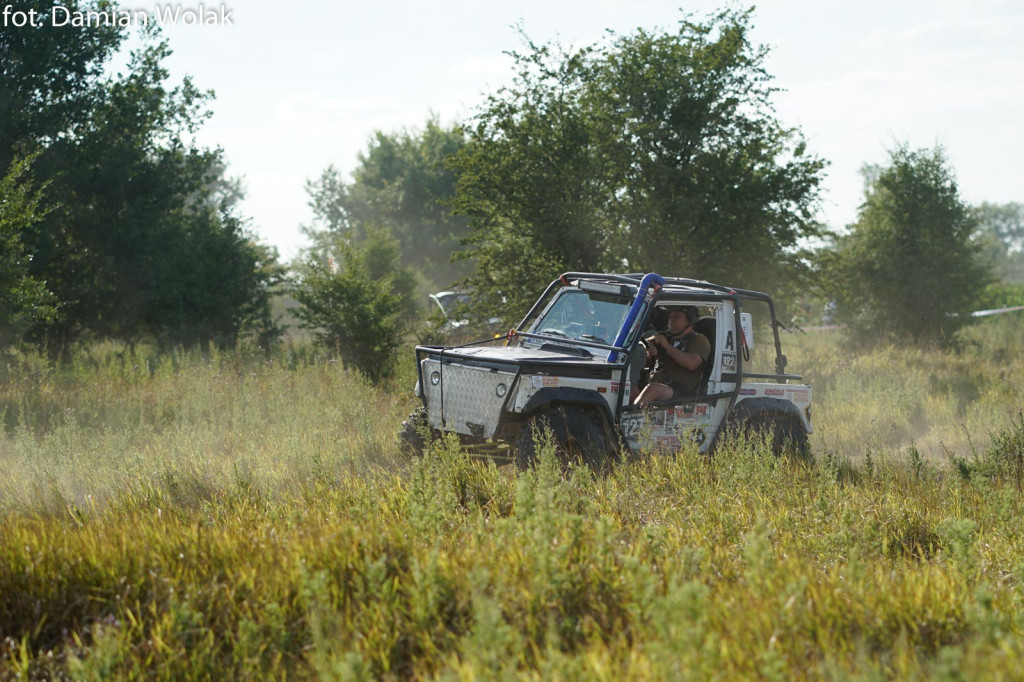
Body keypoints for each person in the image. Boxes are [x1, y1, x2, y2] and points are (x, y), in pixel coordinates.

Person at [633, 305, 710, 405]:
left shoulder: (699, 340)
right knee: (626, 383)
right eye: (670, 316)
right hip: (657, 383)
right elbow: (642, 344)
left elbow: (692, 363)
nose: (671, 320)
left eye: (677, 316)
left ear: (690, 320)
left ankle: (631, 418)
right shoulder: (666, 335)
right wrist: (650, 348)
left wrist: (666, 345)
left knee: (653, 389)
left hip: (680, 391)